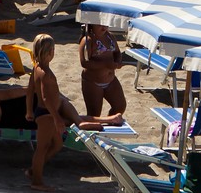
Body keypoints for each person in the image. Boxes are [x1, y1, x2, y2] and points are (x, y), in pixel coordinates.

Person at [27, 33, 122, 188]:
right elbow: (45, 98)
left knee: (57, 145)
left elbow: (30, 91)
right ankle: (37, 182)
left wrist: (28, 111)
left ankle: (33, 171)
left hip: (46, 113)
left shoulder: (37, 68)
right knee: (42, 148)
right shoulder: (45, 73)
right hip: (47, 115)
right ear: (50, 52)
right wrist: (57, 118)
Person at [78, 18, 127, 120]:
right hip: (93, 82)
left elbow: (117, 52)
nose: (103, 27)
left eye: (105, 24)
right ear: (92, 25)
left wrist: (118, 61)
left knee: (120, 106)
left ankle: (110, 122)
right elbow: (84, 62)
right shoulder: (88, 40)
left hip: (110, 79)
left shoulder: (110, 36)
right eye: (100, 25)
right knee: (94, 114)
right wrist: (106, 64)